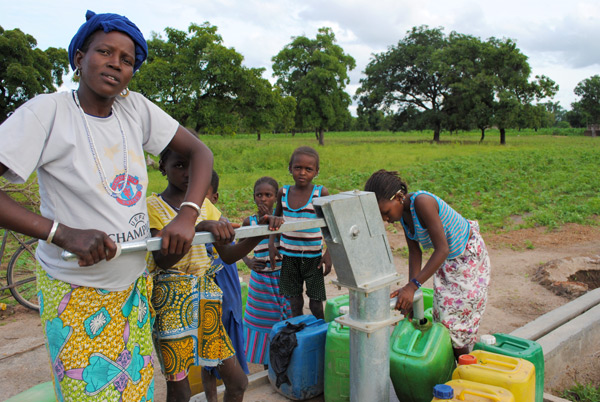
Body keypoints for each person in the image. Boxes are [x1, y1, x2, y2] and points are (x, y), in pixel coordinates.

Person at [0, 10, 214, 401]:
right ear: (79, 58)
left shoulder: (135, 109)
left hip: (133, 290)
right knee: (91, 391)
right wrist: (60, 232)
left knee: (137, 391)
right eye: (104, 52)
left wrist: (187, 214)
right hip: (76, 293)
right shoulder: (47, 113)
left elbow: (200, 153)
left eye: (127, 59)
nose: (116, 63)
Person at [147, 149, 281, 402]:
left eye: (193, 165)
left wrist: (261, 231)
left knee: (238, 382)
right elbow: (163, 260)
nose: (188, 173)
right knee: (180, 391)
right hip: (170, 304)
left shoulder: (206, 206)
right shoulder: (152, 206)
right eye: (178, 166)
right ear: (163, 167)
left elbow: (228, 255)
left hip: (206, 301)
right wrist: (196, 227)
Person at [364, 169, 491, 359]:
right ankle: (455, 368)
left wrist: (412, 285)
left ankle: (465, 369)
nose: (386, 219)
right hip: (447, 263)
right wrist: (410, 291)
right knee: (444, 319)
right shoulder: (404, 217)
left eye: (386, 212)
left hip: (467, 258)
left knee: (455, 326)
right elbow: (415, 252)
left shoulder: (423, 203)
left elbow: (442, 249)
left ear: (398, 197)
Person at [201, 170, 249, 401]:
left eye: (203, 193)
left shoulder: (219, 222)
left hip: (226, 289)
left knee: (229, 331)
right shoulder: (184, 222)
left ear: (215, 197)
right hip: (203, 298)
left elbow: (231, 253)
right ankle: (211, 398)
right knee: (207, 356)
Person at [274, 146, 332, 319]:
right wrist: (272, 243)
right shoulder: (283, 192)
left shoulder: (320, 193)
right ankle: (299, 330)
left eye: (308, 169)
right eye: (298, 167)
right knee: (294, 301)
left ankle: (319, 330)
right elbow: (274, 220)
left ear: (316, 172)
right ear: (290, 168)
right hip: (288, 257)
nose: (302, 173)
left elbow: (332, 226)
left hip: (313, 258)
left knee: (316, 301)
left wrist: (330, 253)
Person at [242, 177, 292, 368]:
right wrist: (248, 261)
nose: (263, 199)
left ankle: (283, 363)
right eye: (259, 195)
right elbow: (239, 246)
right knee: (262, 322)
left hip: (281, 277)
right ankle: (267, 366)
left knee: (284, 319)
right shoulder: (250, 221)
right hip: (261, 281)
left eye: (268, 195)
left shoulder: (282, 221)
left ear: (276, 199)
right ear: (254, 198)